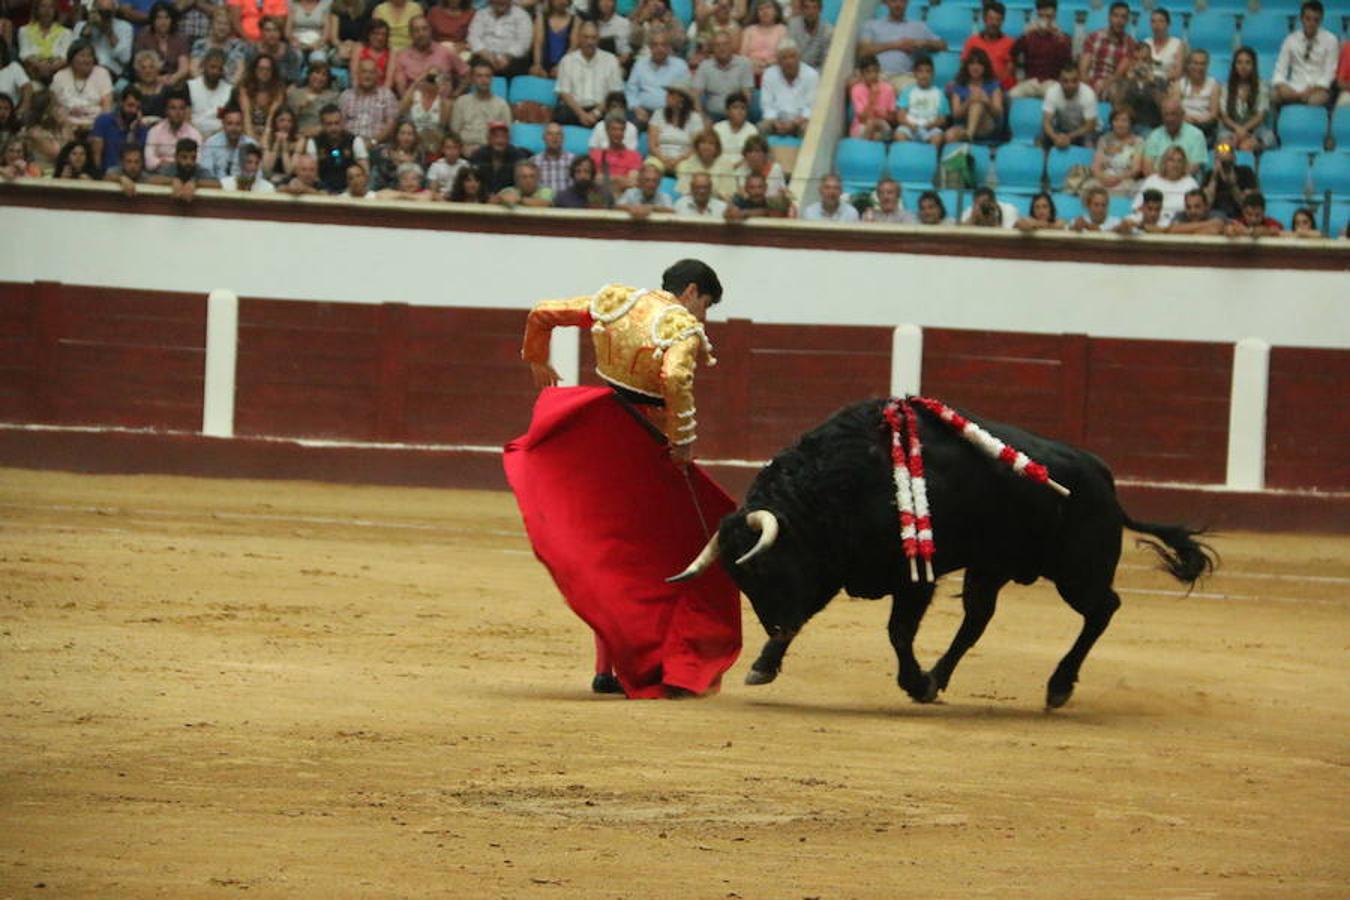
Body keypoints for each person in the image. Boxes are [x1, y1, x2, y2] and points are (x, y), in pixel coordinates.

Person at [505, 259, 740, 699]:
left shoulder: (617, 302)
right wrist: (682, 441)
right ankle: (645, 657)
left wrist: (536, 357)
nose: (703, 316)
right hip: (645, 440)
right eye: (706, 304)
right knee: (651, 553)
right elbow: (674, 377)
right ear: (691, 291)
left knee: (608, 548)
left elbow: (542, 313)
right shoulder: (681, 328)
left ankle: (604, 668)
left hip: (602, 431)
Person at [858, 0, 946, 93]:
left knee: (916, 93)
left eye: (902, 1)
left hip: (903, 77)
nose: (898, 4)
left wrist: (924, 43)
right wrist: (897, 45)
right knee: (856, 86)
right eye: (894, 1)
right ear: (887, 3)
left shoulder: (918, 27)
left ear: (907, 3)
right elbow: (863, 51)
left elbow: (943, 45)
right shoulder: (872, 25)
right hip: (877, 74)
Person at [553, 20, 623, 127]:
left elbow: (614, 92)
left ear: (598, 39)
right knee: (560, 114)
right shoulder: (567, 60)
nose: (589, 42)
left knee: (616, 113)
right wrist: (581, 114)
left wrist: (596, 113)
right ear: (579, 38)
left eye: (593, 37)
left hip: (601, 110)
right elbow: (564, 92)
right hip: (574, 110)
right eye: (586, 37)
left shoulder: (611, 60)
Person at [1271, 0, 1336, 110]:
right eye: (1308, 19)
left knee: (1315, 100)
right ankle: (1279, 121)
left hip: (1317, 90)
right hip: (1293, 87)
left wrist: (1310, 91)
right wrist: (1282, 86)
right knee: (1273, 95)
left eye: (1316, 20)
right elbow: (1279, 70)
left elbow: (1329, 75)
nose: (1312, 23)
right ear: (1301, 19)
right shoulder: (1291, 39)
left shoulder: (1330, 40)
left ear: (1321, 20)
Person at [390, 14, 468, 97]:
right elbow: (402, 90)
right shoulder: (402, 57)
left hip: (442, 102)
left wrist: (455, 95)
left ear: (430, 31)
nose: (421, 33)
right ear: (410, 34)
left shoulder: (445, 52)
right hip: (414, 102)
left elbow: (467, 74)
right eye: (416, 30)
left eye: (425, 29)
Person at [50, 42, 113, 141]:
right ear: (71, 59)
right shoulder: (60, 77)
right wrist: (66, 123)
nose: (87, 60)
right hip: (66, 125)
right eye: (82, 56)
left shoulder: (102, 73)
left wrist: (95, 126)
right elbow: (54, 107)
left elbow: (107, 108)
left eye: (89, 56)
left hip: (95, 126)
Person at [1009, 0, 1072, 99]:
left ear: (1054, 16)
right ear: (1037, 16)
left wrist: (1060, 39)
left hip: (1052, 82)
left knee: (1057, 97)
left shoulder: (1062, 38)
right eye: (1041, 16)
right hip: (1031, 82)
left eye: (1048, 16)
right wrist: (1025, 34)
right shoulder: (1029, 36)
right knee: (1011, 96)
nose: (1045, 20)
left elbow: (1068, 62)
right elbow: (1013, 53)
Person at [625, 31, 689, 126]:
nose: (660, 48)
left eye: (663, 45)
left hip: (671, 112)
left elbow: (686, 93)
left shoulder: (680, 65)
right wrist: (636, 108)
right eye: (655, 45)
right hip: (643, 111)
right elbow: (630, 91)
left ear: (669, 48)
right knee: (631, 127)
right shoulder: (640, 64)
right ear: (650, 47)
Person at [1217, 48, 1274, 153]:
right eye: (1239, 62)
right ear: (1234, 65)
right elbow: (1224, 116)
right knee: (1223, 148)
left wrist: (1244, 130)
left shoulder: (1262, 87)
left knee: (1252, 145)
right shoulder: (1226, 87)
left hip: (1256, 130)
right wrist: (1238, 130)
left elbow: (1260, 116)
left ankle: (1252, 154)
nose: (1243, 66)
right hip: (1231, 129)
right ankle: (1229, 154)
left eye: (1247, 63)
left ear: (1253, 65)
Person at [450, 58, 511, 154]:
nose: (484, 80)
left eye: (487, 76)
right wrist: (462, 148)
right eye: (479, 76)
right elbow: (454, 133)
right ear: (472, 79)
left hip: (491, 153)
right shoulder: (461, 102)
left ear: (492, 79)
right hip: (463, 151)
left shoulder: (501, 105)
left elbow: (505, 136)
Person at [760, 39, 818, 138]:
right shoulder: (769, 74)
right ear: (778, 61)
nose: (789, 61)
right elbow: (767, 105)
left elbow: (811, 107)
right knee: (761, 127)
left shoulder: (811, 75)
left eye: (792, 56)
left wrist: (794, 123)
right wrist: (775, 122)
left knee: (808, 130)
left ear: (799, 58)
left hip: (800, 122)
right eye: (784, 58)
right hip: (776, 121)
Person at [944, 47, 1003, 144]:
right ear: (967, 66)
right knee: (949, 135)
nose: (975, 67)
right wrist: (968, 101)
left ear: (985, 67)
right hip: (964, 124)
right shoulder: (959, 86)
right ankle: (967, 137)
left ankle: (969, 135)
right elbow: (956, 115)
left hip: (986, 126)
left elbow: (999, 114)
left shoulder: (993, 85)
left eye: (979, 64)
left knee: (977, 103)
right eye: (972, 63)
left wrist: (987, 101)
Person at [307, 102, 370, 192]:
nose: (333, 128)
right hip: (322, 191)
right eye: (329, 124)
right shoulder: (313, 142)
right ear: (322, 125)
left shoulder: (355, 141)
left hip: (350, 191)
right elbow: (312, 173)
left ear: (342, 123)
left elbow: (365, 171)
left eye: (337, 123)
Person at [693, 29, 753, 121]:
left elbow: (747, 95)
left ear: (731, 46)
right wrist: (701, 117)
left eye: (725, 44)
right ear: (712, 48)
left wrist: (740, 115)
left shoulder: (744, 63)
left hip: (736, 116)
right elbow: (695, 95)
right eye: (717, 45)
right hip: (712, 116)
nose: (722, 48)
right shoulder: (705, 66)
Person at [1078, 1, 1136, 97]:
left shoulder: (1130, 43)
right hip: (1090, 81)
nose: (1119, 20)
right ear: (1109, 17)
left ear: (1127, 20)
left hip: (1113, 85)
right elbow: (1083, 69)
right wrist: (1087, 87)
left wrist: (1104, 84)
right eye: (1116, 16)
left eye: (1123, 17)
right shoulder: (1093, 37)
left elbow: (1118, 74)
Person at [646, 81, 704, 174]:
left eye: (671, 94)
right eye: (668, 93)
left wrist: (677, 160)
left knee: (685, 170)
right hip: (659, 157)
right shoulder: (658, 114)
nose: (667, 96)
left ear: (682, 98)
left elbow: (695, 147)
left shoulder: (695, 118)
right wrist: (663, 159)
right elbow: (652, 144)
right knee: (650, 168)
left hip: (684, 159)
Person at [340, 57, 400, 144]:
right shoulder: (346, 96)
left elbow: (391, 126)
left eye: (371, 72)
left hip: (378, 145)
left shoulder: (387, 95)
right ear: (357, 74)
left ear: (377, 75)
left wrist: (372, 142)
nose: (367, 76)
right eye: (364, 72)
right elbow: (340, 124)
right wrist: (353, 144)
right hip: (349, 144)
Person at [89, 85, 147, 172]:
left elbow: (134, 159)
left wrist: (132, 132)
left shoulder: (141, 129)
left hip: (131, 174)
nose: (134, 111)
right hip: (106, 174)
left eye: (137, 108)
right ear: (121, 103)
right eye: (130, 105)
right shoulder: (103, 121)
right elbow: (96, 157)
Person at [467, 0, 533, 77]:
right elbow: (473, 37)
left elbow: (523, 43)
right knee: (474, 68)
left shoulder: (522, 15)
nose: (501, 2)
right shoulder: (481, 14)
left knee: (519, 67)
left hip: (512, 59)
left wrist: (507, 57)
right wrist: (487, 56)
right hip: (484, 57)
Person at [1133, 144, 1196, 225]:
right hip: (1151, 223)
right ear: (1164, 163)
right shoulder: (1152, 180)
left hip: (1178, 225)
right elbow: (1137, 207)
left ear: (1184, 164)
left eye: (1179, 161)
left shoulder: (1190, 182)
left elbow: (1196, 210)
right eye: (1171, 160)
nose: (1175, 165)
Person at [76, 0, 135, 83]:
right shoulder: (81, 26)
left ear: (114, 11)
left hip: (113, 75)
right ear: (93, 10)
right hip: (85, 72)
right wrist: (89, 25)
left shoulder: (125, 27)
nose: (104, 15)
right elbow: (74, 52)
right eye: (101, 11)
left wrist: (108, 31)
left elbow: (125, 59)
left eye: (107, 12)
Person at [1142, 98, 1205, 175]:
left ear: (1182, 115)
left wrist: (1173, 180)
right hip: (1157, 179)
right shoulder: (1154, 135)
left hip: (1186, 179)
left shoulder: (1196, 135)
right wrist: (1160, 180)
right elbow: (1147, 167)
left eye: (1173, 114)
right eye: (1166, 115)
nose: (1169, 119)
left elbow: (1194, 166)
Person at [895, 54, 948, 145]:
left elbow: (942, 119)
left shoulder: (939, 94)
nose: (924, 75)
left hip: (931, 128)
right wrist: (910, 125)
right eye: (920, 71)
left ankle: (929, 153)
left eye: (928, 71)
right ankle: (909, 153)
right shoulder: (907, 91)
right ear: (915, 73)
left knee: (938, 137)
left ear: (933, 74)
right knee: (899, 135)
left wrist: (930, 125)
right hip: (910, 127)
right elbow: (900, 116)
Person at [143, 89, 201, 173]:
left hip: (187, 173)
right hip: (160, 175)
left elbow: (198, 161)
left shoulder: (194, 134)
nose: (178, 112)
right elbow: (149, 162)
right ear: (166, 110)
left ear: (185, 111)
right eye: (173, 108)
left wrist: (166, 162)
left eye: (181, 108)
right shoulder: (155, 131)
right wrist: (173, 165)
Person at [962, 1, 1014, 92]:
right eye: (991, 19)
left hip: (1000, 88)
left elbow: (1008, 73)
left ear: (1003, 21)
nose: (994, 23)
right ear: (984, 19)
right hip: (975, 86)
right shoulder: (972, 41)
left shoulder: (1010, 43)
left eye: (998, 20)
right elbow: (964, 68)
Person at [1041, 64, 1098, 148]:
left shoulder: (1088, 94)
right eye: (1065, 81)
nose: (1070, 85)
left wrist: (1069, 137)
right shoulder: (1052, 92)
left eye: (1074, 81)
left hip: (1083, 130)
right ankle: (1043, 156)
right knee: (1043, 135)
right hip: (1062, 129)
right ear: (1059, 81)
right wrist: (1056, 138)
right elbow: (1046, 122)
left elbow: (1090, 125)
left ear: (1079, 80)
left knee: (1089, 141)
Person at [133, 3, 190, 85]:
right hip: (148, 81)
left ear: (172, 20)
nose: (163, 22)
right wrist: (157, 79)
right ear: (153, 20)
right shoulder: (143, 37)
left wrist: (173, 78)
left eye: (167, 18)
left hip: (174, 81)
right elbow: (139, 67)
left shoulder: (180, 38)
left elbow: (183, 68)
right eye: (159, 18)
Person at [1091, 107, 1143, 196]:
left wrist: (1117, 178)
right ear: (1112, 122)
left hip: (1124, 180)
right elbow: (1096, 166)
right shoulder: (1104, 139)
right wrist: (1102, 178)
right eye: (1116, 120)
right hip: (1103, 178)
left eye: (1124, 121)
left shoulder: (1138, 142)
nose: (1120, 124)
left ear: (1131, 123)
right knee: (1090, 190)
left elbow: (1135, 170)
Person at [18, 0, 72, 87]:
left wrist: (50, 68)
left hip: (58, 74)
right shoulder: (24, 30)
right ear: (37, 10)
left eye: (51, 7)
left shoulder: (66, 33)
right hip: (33, 73)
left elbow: (66, 56)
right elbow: (24, 54)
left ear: (55, 11)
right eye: (43, 6)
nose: (47, 10)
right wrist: (40, 66)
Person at [470, 119, 530, 194]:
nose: (500, 140)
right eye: (496, 136)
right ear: (488, 139)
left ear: (509, 139)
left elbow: (522, 183)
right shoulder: (477, 156)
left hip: (510, 197)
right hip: (482, 197)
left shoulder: (518, 156)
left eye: (503, 136)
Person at [1201, 140, 1257, 220]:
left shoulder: (1246, 172)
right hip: (1215, 216)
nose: (1223, 152)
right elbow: (1207, 204)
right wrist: (1214, 177)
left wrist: (1232, 185)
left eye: (1227, 151)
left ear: (1234, 157)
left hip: (1240, 216)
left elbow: (1247, 205)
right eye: (1220, 152)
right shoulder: (1209, 175)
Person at [190, 8, 248, 83]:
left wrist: (228, 87)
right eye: (219, 23)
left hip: (229, 85)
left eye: (226, 24)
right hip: (204, 85)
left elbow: (240, 70)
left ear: (230, 27)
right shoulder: (200, 44)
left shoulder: (237, 45)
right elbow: (194, 69)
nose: (222, 27)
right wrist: (204, 86)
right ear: (212, 24)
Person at [200, 105, 259, 179]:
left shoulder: (252, 145)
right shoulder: (211, 143)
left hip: (245, 185)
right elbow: (206, 174)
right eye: (229, 123)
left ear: (243, 125)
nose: (234, 128)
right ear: (223, 124)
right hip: (217, 185)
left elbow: (258, 175)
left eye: (238, 124)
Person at [674, 127, 734, 198]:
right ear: (697, 146)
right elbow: (683, 193)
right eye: (703, 143)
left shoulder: (726, 165)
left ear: (717, 148)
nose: (706, 147)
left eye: (711, 143)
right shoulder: (685, 165)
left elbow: (728, 194)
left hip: (718, 202)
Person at [1173, 49, 1219, 142]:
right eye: (1195, 63)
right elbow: (1175, 109)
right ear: (1189, 65)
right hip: (1183, 124)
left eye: (1202, 64)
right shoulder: (1179, 84)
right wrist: (1185, 118)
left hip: (1205, 127)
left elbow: (1214, 114)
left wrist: (1199, 120)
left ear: (1207, 65)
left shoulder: (1214, 85)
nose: (1199, 67)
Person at [188, 49, 235, 138]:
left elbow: (229, 120)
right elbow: (186, 119)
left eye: (219, 69)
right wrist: (199, 136)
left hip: (220, 136)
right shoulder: (190, 86)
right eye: (212, 67)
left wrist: (212, 138)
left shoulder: (229, 90)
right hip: (192, 134)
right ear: (204, 66)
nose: (215, 72)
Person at [238, 54, 285, 142]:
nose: (264, 72)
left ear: (272, 72)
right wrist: (251, 139)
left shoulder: (278, 91)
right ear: (255, 70)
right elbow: (246, 116)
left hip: (270, 131)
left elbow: (272, 118)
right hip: (246, 129)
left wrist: (265, 137)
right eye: (261, 69)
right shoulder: (245, 88)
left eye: (268, 69)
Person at [590, 111, 642, 190]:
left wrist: (607, 179)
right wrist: (618, 179)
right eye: (614, 129)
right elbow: (594, 180)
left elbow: (632, 183)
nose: (618, 133)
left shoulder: (634, 156)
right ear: (607, 130)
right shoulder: (596, 154)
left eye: (621, 130)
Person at [850, 53, 895, 140]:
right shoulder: (856, 89)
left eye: (875, 71)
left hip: (882, 125)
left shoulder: (888, 88)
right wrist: (872, 98)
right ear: (862, 74)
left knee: (882, 128)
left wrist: (884, 115)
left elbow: (893, 119)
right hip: (862, 126)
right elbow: (862, 119)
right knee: (870, 124)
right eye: (868, 72)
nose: (873, 75)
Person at [531, 0, 579, 79]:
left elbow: (572, 48)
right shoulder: (541, 18)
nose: (562, 1)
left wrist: (561, 67)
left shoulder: (576, 20)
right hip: (543, 67)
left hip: (566, 66)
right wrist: (538, 65)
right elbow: (538, 44)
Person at [740, 0, 786, 79]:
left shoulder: (782, 30)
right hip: (750, 70)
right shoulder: (749, 30)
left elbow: (784, 55)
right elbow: (742, 55)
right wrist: (753, 64)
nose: (765, 12)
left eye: (768, 7)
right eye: (761, 9)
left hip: (775, 71)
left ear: (776, 11)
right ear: (756, 13)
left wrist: (767, 64)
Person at [787, 0, 832, 72]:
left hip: (815, 72)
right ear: (802, 9)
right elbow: (789, 51)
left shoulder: (827, 30)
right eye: (807, 7)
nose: (811, 12)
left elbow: (826, 60)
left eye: (814, 7)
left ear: (820, 10)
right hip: (793, 69)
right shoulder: (793, 24)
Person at [1142, 8, 1185, 83]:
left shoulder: (1177, 44)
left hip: (1168, 84)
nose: (1157, 25)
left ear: (1168, 24)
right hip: (1146, 84)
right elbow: (1140, 67)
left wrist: (1158, 79)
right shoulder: (1146, 43)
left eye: (1161, 21)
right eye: (1153, 21)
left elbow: (1178, 73)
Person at [531, 121, 575, 194]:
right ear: (543, 138)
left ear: (563, 138)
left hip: (568, 201)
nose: (554, 137)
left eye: (558, 134)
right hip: (541, 201)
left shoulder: (574, 160)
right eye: (550, 134)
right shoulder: (533, 162)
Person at [712, 90, 757, 157]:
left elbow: (752, 155)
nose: (739, 111)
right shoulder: (717, 128)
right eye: (735, 107)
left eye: (743, 108)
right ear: (727, 111)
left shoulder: (752, 130)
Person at [588, 0, 632, 69]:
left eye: (610, 0)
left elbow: (625, 55)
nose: (606, 3)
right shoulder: (590, 23)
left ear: (614, 3)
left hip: (614, 66)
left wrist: (607, 67)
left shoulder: (623, 23)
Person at [426, 130, 468, 195]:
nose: (452, 151)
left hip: (460, 198)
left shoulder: (465, 165)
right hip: (440, 198)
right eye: (448, 148)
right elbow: (433, 191)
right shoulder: (436, 166)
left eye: (455, 147)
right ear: (443, 149)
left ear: (460, 149)